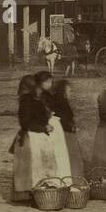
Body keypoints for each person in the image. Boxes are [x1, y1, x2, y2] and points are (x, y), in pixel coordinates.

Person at [10, 72, 72, 203]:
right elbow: (26, 122)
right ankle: (33, 195)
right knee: (33, 167)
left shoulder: (39, 99)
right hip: (31, 137)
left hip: (40, 136)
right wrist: (43, 127)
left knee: (43, 166)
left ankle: (40, 194)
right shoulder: (27, 100)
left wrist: (48, 116)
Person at [48, 78, 85, 179]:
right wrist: (72, 127)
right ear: (63, 90)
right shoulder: (60, 102)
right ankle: (74, 179)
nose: (70, 92)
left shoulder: (62, 100)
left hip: (66, 132)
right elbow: (62, 119)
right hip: (64, 134)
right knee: (71, 157)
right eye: (69, 90)